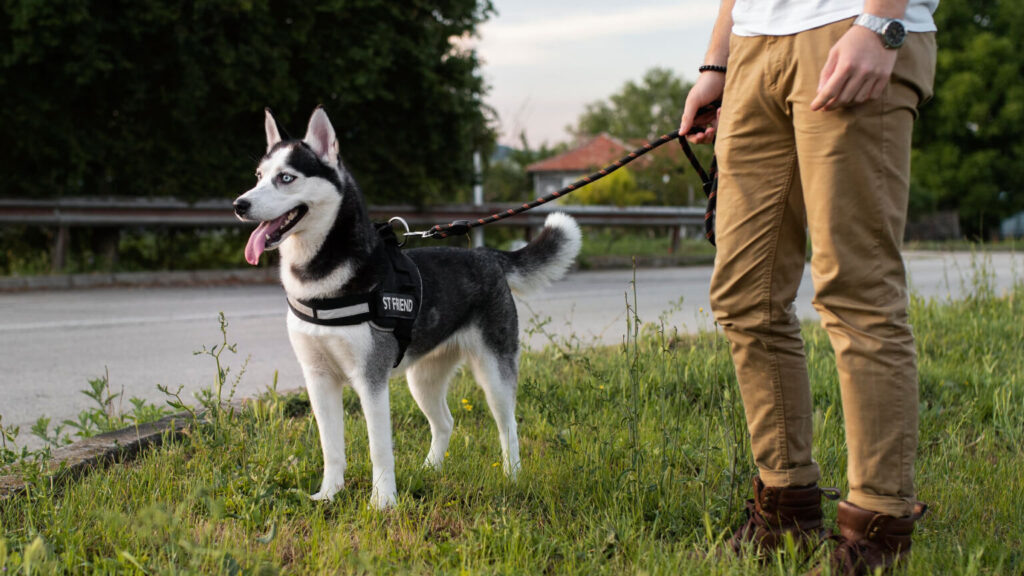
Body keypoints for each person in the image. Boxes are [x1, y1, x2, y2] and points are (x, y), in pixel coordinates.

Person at [679, 1, 938, 573]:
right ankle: (785, 506)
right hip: (753, 48)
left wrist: (879, 26)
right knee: (745, 297)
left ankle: (877, 529)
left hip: (851, 25)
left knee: (856, 292)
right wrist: (716, 64)